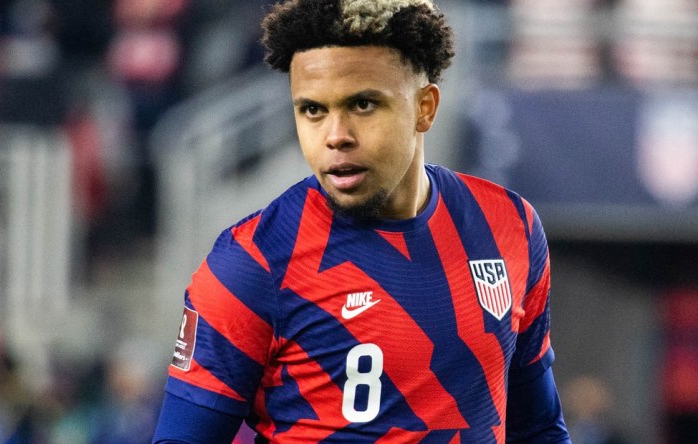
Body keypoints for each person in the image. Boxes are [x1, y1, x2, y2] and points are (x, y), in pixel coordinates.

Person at [153, 0, 571, 442]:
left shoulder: (510, 225)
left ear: (425, 108)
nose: (335, 136)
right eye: (312, 110)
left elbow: (539, 428)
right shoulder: (252, 262)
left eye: (364, 104)